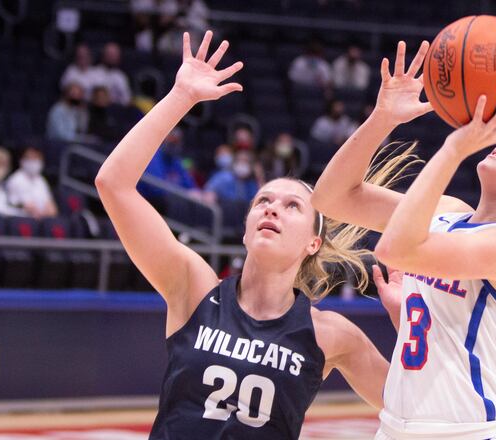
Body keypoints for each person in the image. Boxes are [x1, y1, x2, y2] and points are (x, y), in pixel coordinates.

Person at [95, 31, 392, 439]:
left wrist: (417, 325)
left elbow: (415, 409)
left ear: (313, 243)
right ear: (246, 229)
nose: (272, 207)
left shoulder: (330, 333)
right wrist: (180, 96)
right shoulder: (193, 288)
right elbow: (114, 184)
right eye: (263, 200)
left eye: (293, 206)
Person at [313, 41, 496, 439]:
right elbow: (331, 199)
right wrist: (383, 118)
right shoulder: (447, 211)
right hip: (397, 429)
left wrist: (455, 147)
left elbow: (396, 249)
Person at [6, 147, 58, 219]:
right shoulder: (15, 179)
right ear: (22, 161)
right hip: (21, 221)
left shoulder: (41, 180)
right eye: (29, 158)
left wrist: (45, 213)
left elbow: (52, 209)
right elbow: (16, 204)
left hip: (40, 221)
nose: (33, 161)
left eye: (36, 158)